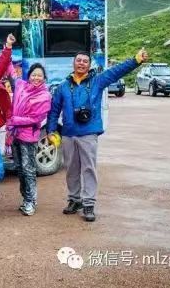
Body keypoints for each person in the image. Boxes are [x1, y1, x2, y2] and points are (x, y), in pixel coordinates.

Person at [47, 48, 149, 222]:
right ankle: (74, 200)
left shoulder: (98, 81)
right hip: (68, 134)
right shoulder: (63, 86)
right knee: (71, 169)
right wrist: (51, 130)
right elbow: (54, 110)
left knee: (88, 168)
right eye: (78, 60)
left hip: (88, 133)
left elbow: (117, 71)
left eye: (85, 61)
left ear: (89, 65)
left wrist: (136, 60)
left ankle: (89, 204)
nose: (81, 63)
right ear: (73, 63)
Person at [6, 63, 52, 216]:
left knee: (28, 169)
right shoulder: (21, 86)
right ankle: (26, 198)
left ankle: (31, 201)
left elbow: (36, 118)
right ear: (29, 76)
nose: (36, 77)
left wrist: (14, 120)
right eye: (34, 74)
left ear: (44, 78)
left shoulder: (44, 96)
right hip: (15, 135)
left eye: (39, 75)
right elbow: (11, 73)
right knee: (19, 168)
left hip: (28, 137)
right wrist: (7, 52)